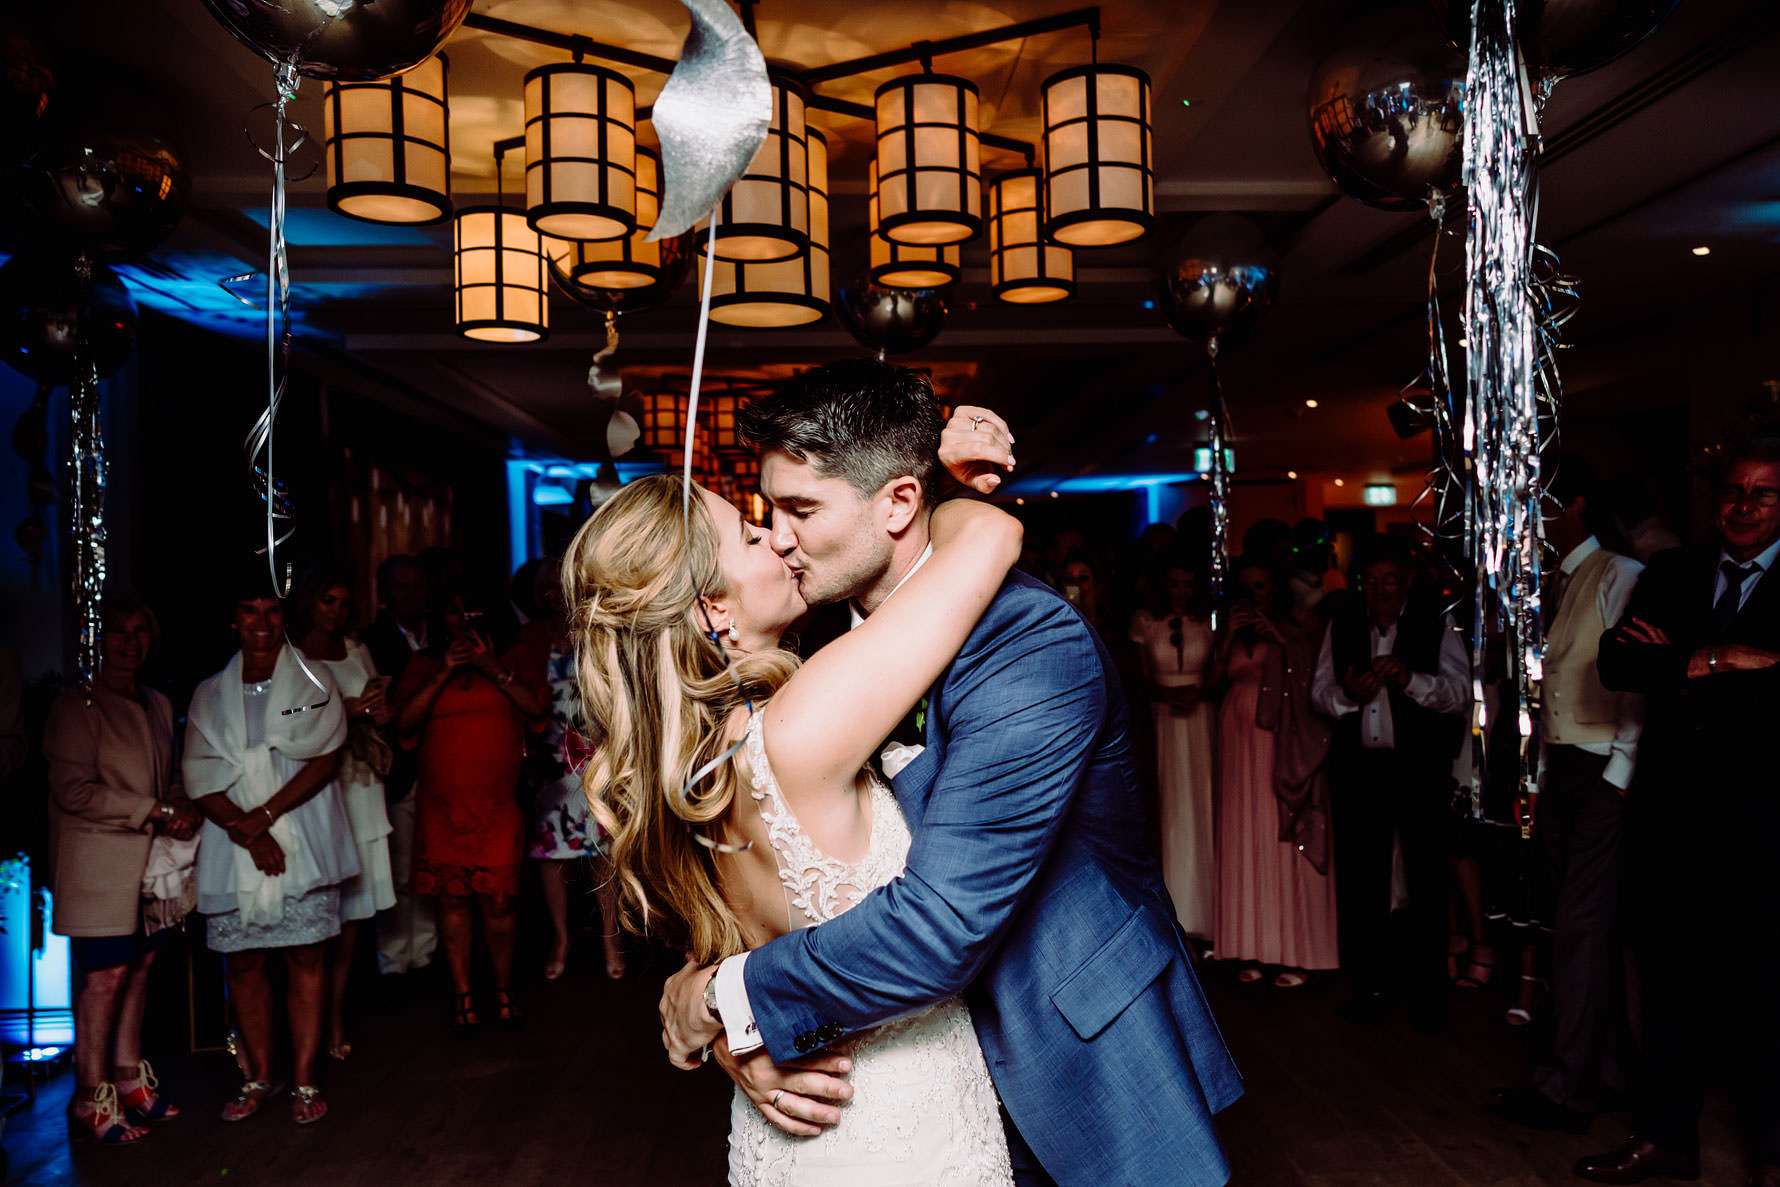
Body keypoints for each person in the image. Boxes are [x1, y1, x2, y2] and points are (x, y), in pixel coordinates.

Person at [652, 361, 1240, 1187]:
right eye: (767, 514)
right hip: (904, 1081)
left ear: (897, 503)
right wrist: (718, 1023)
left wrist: (726, 1001)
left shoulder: (1031, 643)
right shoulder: (820, 654)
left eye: (800, 510)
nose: (778, 536)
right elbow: (772, 892)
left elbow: (941, 923)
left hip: (1071, 1062)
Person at [1576, 439, 1780, 1187]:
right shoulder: (1675, 570)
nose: (1744, 505)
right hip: (1673, 818)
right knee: (1668, 985)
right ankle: (1666, 1137)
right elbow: (1619, 662)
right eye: (1734, 490)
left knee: (1765, 992)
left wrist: (1682, 661)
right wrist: (1723, 657)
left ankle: (1771, 1153)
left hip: (1765, 826)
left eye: (1762, 494)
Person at [1492, 458, 1643, 1135]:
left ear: (1576, 504)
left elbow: (1638, 678)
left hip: (1604, 773)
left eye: (1537, 502)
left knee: (1579, 932)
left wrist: (1619, 774)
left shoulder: (1618, 572)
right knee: (1577, 929)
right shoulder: (1555, 581)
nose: (1528, 517)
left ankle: (1566, 1087)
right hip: (1564, 770)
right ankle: (1608, 1071)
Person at [186, 569, 357, 1125]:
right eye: (250, 610)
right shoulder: (210, 692)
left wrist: (263, 818)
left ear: (285, 618)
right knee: (245, 962)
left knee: (307, 956)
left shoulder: (315, 682)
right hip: (233, 842)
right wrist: (245, 830)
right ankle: (259, 1074)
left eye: (272, 610)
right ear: (233, 620)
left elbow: (326, 757)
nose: (262, 622)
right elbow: (198, 773)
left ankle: (305, 1080)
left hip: (301, 832)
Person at [45, 595, 201, 1144]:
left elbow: (175, 774)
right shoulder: (76, 705)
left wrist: (180, 808)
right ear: (100, 638)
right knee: (104, 980)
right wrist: (156, 811)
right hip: (99, 869)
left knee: (140, 971)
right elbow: (74, 790)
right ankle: (90, 1099)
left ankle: (130, 1081)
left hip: (151, 867)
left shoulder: (157, 702)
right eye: (118, 631)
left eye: (140, 631)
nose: (130, 641)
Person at [1311, 535, 1469, 1032]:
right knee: (1363, 881)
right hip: (1361, 771)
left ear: (1407, 583)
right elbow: (1318, 693)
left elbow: (1459, 694)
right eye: (1372, 581)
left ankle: (1428, 994)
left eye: (1389, 581)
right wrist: (1347, 695)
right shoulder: (1343, 624)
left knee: (1425, 879)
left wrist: (1409, 680)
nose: (1378, 590)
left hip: (1417, 768)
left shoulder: (1437, 624)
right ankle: (1371, 985)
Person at [391, 580, 547, 1031]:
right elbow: (403, 722)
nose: (464, 621)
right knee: (453, 899)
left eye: (473, 611)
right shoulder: (422, 664)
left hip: (498, 803)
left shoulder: (514, 655)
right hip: (443, 802)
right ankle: (462, 995)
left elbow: (537, 710)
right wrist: (443, 671)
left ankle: (502, 988)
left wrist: (491, 667)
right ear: (442, 619)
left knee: (499, 902)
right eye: (455, 612)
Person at [1211, 558, 1339, 986]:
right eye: (1246, 588)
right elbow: (1212, 683)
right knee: (1244, 838)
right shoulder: (1231, 631)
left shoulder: (1299, 627)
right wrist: (1229, 635)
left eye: (1261, 586)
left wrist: (1282, 639)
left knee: (1278, 836)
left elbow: (1317, 677)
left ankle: (1294, 950)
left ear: (1276, 590)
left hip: (1278, 741)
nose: (1254, 595)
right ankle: (1251, 946)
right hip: (1236, 743)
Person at [291, 566, 397, 1061]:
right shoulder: (292, 657)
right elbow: (287, 717)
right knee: (320, 905)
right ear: (311, 602)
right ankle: (308, 1020)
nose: (335, 611)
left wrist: (378, 712)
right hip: (318, 785)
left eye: (343, 603)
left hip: (361, 778)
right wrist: (344, 711)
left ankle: (334, 1014)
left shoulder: (356, 649)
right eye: (327, 600)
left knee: (352, 914)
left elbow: (378, 706)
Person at [519, 558, 625, 981]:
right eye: (544, 589)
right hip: (548, 757)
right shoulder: (527, 638)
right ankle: (561, 936)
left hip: (596, 752)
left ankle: (610, 936)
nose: (552, 597)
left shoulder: (599, 635)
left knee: (604, 848)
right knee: (550, 852)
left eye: (558, 588)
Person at [1129, 562, 1215, 940]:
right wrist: (1167, 694)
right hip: (1162, 721)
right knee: (1169, 808)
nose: (1181, 591)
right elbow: (1136, 680)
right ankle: (1174, 910)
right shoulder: (1146, 623)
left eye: (1188, 584)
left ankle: (1211, 911)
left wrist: (1200, 692)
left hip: (1202, 720)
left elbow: (1221, 673)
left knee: (1206, 804)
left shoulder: (1209, 622)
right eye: (1175, 583)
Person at [360, 555, 437, 977]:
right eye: (401, 588)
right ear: (386, 595)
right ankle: (393, 958)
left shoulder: (443, 635)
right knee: (398, 868)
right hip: (397, 768)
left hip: (442, 763)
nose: (411, 595)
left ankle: (426, 952)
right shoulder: (370, 640)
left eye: (417, 586)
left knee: (428, 868)